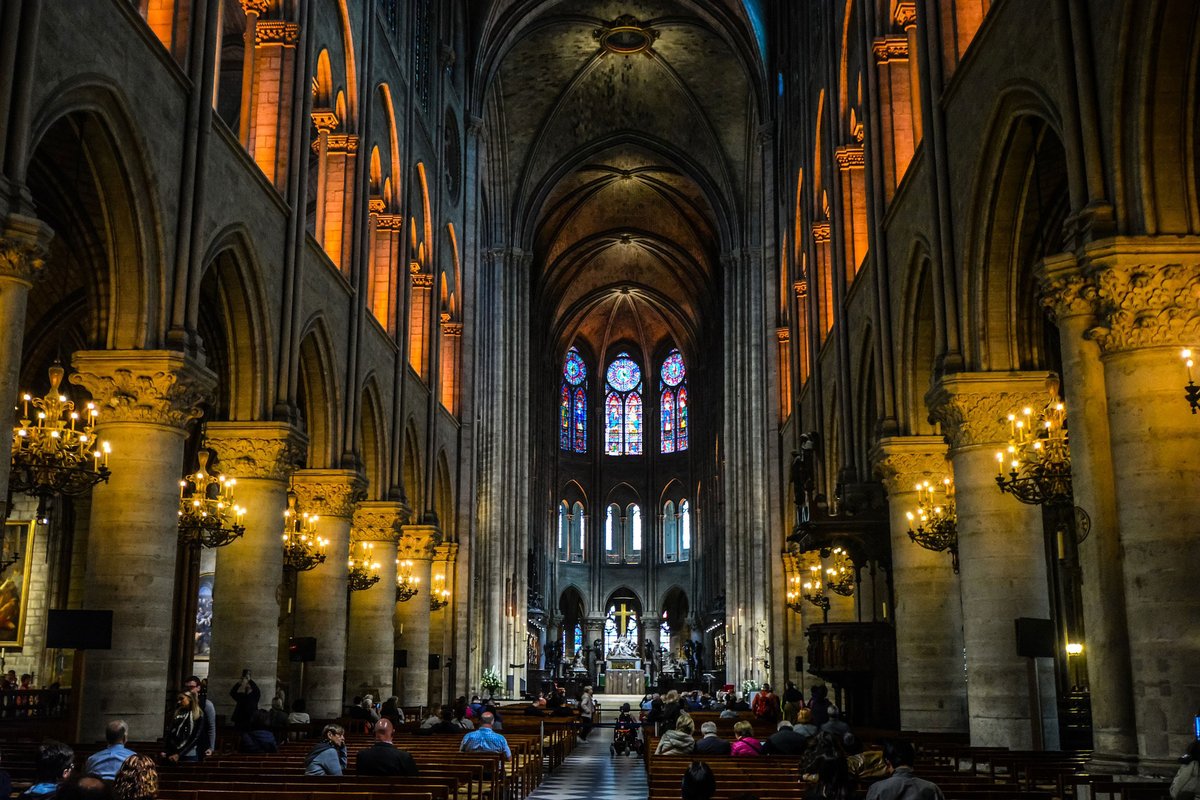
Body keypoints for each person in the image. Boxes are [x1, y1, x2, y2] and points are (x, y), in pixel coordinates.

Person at [161, 691, 204, 764]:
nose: (179, 702)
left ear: (190, 699)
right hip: (173, 752)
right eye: (178, 699)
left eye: (182, 699)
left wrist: (180, 754)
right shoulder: (177, 713)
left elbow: (196, 737)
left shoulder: (198, 714)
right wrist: (165, 750)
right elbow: (170, 733)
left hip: (188, 754)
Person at [182, 676, 215, 759]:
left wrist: (211, 747)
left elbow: (211, 727)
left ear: (198, 688)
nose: (189, 690)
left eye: (191, 687)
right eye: (187, 687)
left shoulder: (207, 704)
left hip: (200, 744)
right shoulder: (182, 704)